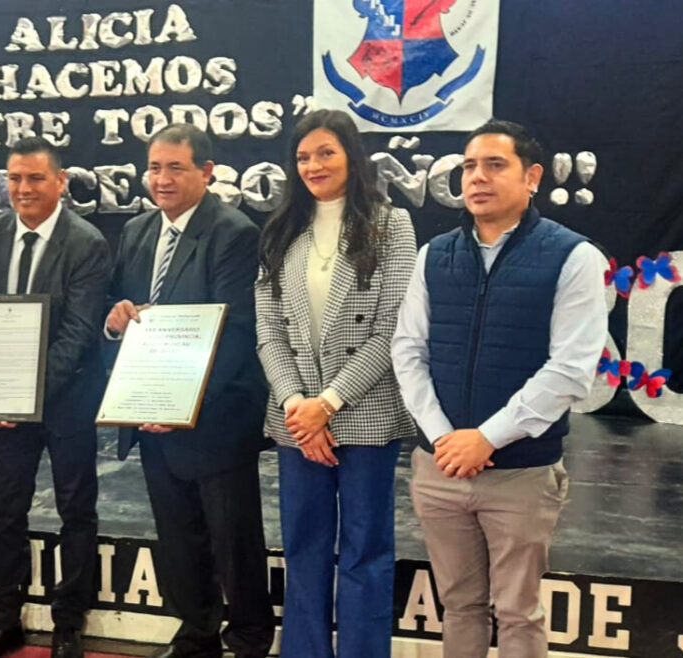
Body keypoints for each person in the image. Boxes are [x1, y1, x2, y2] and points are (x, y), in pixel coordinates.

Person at [391, 119, 608, 658]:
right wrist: (444, 438)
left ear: (531, 177)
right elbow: (408, 350)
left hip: (521, 471)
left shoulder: (573, 256)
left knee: (517, 612)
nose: (477, 178)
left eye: (495, 165)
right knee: (459, 606)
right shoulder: (434, 254)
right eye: (469, 166)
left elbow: (572, 368)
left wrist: (486, 438)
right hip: (439, 468)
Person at [104, 123, 273, 658]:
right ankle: (196, 632)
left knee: (233, 540)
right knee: (178, 538)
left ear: (207, 172)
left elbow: (235, 332)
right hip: (154, 417)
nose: (161, 178)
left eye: (175, 167)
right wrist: (114, 323)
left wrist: (183, 403)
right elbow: (124, 310)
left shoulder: (234, 232)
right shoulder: (136, 232)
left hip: (216, 419)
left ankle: (248, 638)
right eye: (154, 167)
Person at [254, 109, 416, 657]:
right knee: (302, 548)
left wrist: (328, 402)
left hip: (364, 413)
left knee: (366, 551)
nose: (313, 165)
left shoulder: (391, 225)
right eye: (303, 157)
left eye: (326, 153)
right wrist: (299, 405)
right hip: (297, 422)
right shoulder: (280, 230)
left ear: (352, 155)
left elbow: (395, 326)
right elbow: (268, 332)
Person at [0, 137, 111, 658]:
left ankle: (69, 621)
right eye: (15, 179)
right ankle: (6, 617)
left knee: (76, 511)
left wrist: (22, 396)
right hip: (2, 405)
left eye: (35, 178)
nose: (23, 189)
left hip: (65, 402)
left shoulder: (87, 242)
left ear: (60, 182)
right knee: (5, 512)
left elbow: (78, 334)